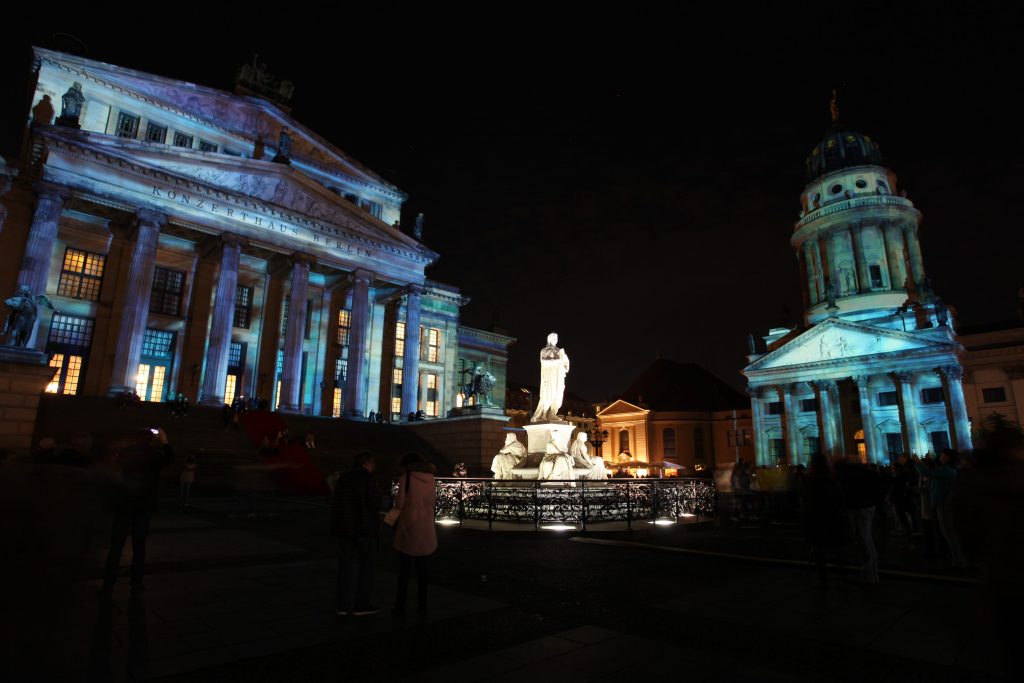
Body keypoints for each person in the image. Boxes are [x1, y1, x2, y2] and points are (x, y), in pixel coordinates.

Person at [100, 428, 175, 597]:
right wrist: (165, 440)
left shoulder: (126, 453)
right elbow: (170, 459)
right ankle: (136, 581)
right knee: (139, 545)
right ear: (150, 441)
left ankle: (109, 579)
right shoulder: (154, 456)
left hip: (124, 504)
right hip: (143, 505)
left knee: (116, 545)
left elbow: (115, 468)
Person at [332, 452, 383, 616]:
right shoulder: (368, 479)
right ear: (367, 463)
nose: (373, 467)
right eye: (373, 464)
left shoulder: (343, 479)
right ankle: (361, 604)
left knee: (345, 568)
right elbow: (375, 505)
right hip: (364, 529)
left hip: (344, 528)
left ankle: (342, 605)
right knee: (366, 567)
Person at [391, 453, 437, 616]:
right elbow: (432, 501)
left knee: (404, 570)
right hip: (425, 525)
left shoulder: (406, 477)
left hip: (409, 526)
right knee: (423, 570)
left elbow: (400, 502)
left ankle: (400, 604)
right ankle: (422, 604)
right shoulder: (431, 477)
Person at [835, 453, 884, 584]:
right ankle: (873, 572)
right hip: (866, 507)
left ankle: (870, 575)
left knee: (863, 540)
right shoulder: (866, 473)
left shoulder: (853, 474)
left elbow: (841, 480)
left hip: (859, 508)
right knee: (866, 539)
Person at [913, 449, 967, 567]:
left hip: (944, 503)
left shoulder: (947, 470)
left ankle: (959, 559)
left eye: (942, 454)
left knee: (949, 533)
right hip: (942, 502)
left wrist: (917, 462)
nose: (940, 456)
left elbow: (928, 473)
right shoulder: (948, 469)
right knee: (947, 532)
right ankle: (956, 557)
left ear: (947, 457)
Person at [801, 453, 846, 588]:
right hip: (831, 517)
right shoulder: (831, 479)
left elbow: (804, 500)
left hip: (815, 520)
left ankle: (823, 579)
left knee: (819, 552)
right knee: (835, 549)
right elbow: (840, 497)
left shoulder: (808, 480)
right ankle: (841, 575)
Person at [531, 332, 570, 422]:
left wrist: (564, 358)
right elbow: (544, 362)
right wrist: (557, 361)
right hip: (550, 376)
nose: (556, 339)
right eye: (553, 338)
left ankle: (552, 413)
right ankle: (544, 414)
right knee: (550, 394)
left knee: (558, 395)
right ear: (549, 339)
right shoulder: (545, 350)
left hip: (559, 376)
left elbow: (566, 365)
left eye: (556, 338)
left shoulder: (560, 351)